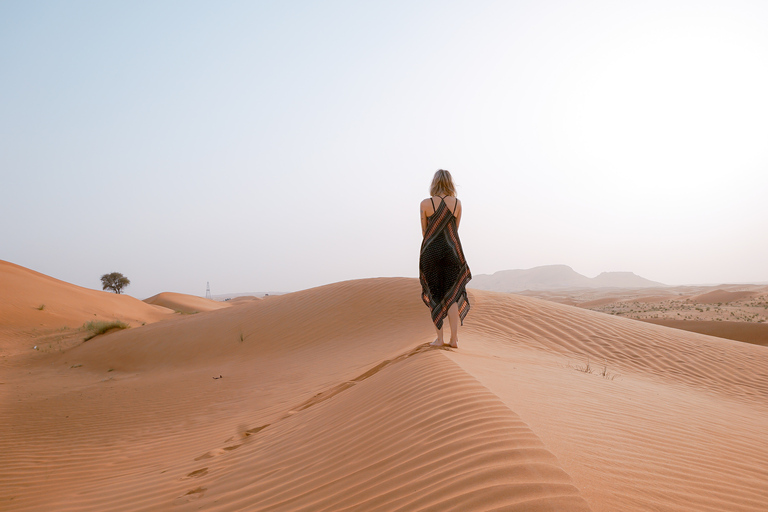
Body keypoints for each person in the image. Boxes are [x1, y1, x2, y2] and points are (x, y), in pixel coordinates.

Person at [419, 169, 471, 348]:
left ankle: (439, 339)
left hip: (431, 253)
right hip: (452, 252)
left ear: (434, 183)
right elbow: (454, 230)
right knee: (452, 295)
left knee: (435, 294)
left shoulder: (425, 204)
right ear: (450, 183)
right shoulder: (457, 204)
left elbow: (425, 232)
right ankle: (454, 339)